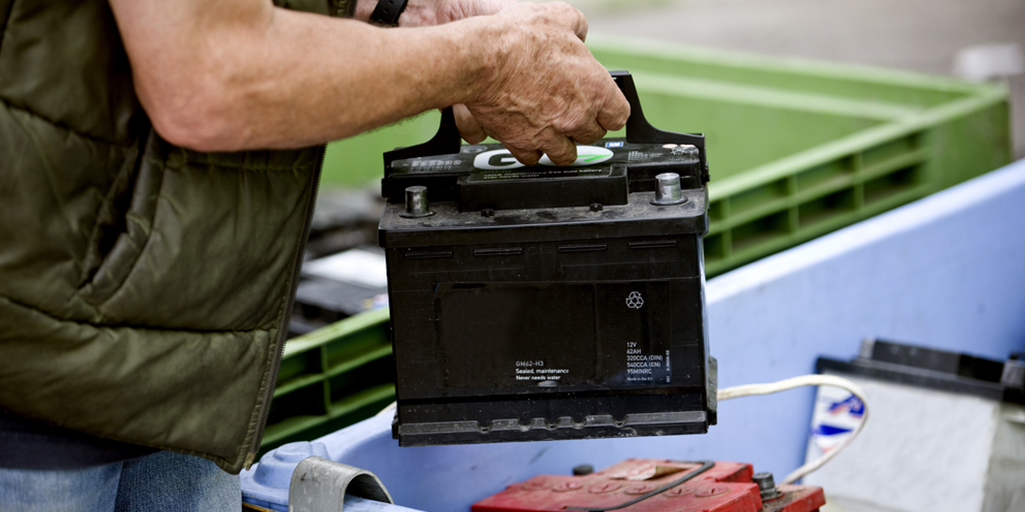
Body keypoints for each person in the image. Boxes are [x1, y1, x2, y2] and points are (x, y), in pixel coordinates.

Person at [0, 0, 629, 509]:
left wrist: (405, 9)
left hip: (187, 362)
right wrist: (486, 61)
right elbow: (213, 72)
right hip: (36, 382)